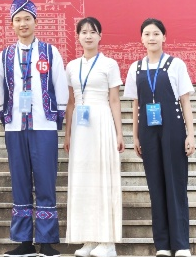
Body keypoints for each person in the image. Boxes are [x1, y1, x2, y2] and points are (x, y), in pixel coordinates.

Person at [0, 0, 68, 258]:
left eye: (27, 19)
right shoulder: (5, 55)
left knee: (46, 180)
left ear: (36, 22)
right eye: (18, 20)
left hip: (43, 125)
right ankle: (24, 240)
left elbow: (60, 84)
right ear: (12, 24)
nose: (23, 24)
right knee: (20, 181)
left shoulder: (49, 51)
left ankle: (47, 241)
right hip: (15, 126)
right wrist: (4, 115)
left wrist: (58, 114)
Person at [124, 18, 196, 258]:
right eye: (147, 34)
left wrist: (190, 134)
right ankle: (162, 244)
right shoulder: (135, 68)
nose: (152, 38)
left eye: (156, 33)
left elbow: (185, 100)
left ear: (164, 37)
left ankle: (181, 244)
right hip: (148, 129)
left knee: (176, 184)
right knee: (155, 186)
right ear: (141, 39)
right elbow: (135, 104)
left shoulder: (176, 64)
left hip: (173, 128)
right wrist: (135, 136)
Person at [64, 17, 124, 258]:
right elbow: (70, 102)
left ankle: (107, 242)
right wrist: (67, 134)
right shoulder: (71, 66)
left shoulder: (109, 64)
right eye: (84, 32)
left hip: (101, 121)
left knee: (103, 178)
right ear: (78, 36)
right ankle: (88, 239)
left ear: (100, 36)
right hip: (80, 126)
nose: (88, 36)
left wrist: (119, 133)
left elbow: (114, 100)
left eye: (93, 32)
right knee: (83, 180)